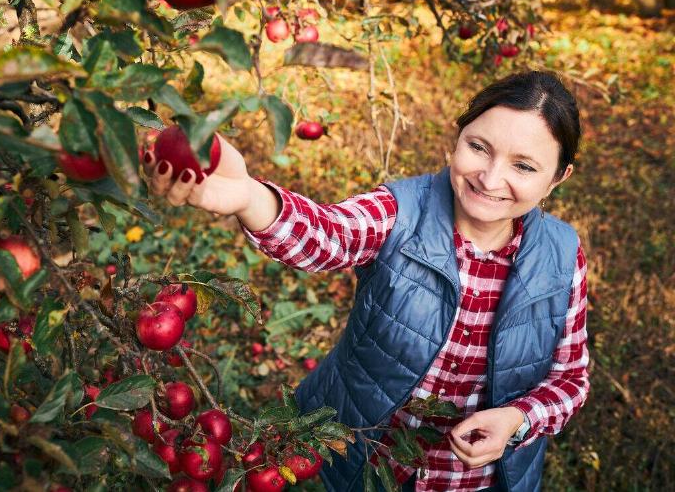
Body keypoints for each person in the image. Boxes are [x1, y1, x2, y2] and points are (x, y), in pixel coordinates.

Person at [141, 71, 590, 492]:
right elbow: (326, 235)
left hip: (479, 480)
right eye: (479, 147)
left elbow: (569, 380)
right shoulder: (400, 213)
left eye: (524, 167)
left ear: (558, 178)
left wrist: (517, 418)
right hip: (359, 459)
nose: (491, 178)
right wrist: (249, 196)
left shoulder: (563, 258)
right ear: (458, 135)